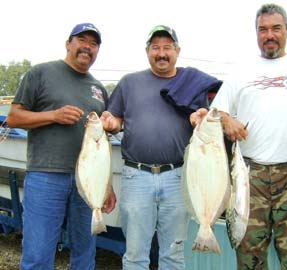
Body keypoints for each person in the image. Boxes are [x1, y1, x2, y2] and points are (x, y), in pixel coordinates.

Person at [192, 3, 287, 269]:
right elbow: (216, 112)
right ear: (256, 33)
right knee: (249, 256)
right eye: (262, 30)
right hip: (249, 177)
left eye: (276, 28)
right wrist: (227, 120)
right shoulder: (240, 71)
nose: (269, 35)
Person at [104, 25, 222, 269]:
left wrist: (200, 118)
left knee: (173, 255)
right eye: (155, 47)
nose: (161, 53)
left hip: (179, 178)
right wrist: (111, 122)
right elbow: (116, 120)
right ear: (147, 51)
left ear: (177, 51)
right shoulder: (129, 83)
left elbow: (208, 122)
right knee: (135, 255)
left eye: (167, 48)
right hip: (136, 176)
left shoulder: (193, 83)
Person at [6, 23, 117, 270]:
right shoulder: (40, 73)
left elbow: (103, 145)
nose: (87, 47)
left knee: (85, 252)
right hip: (47, 175)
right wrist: (53, 115)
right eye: (82, 40)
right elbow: (13, 117)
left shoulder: (98, 89)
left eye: (94, 43)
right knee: (38, 252)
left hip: (89, 182)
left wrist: (106, 186)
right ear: (68, 43)